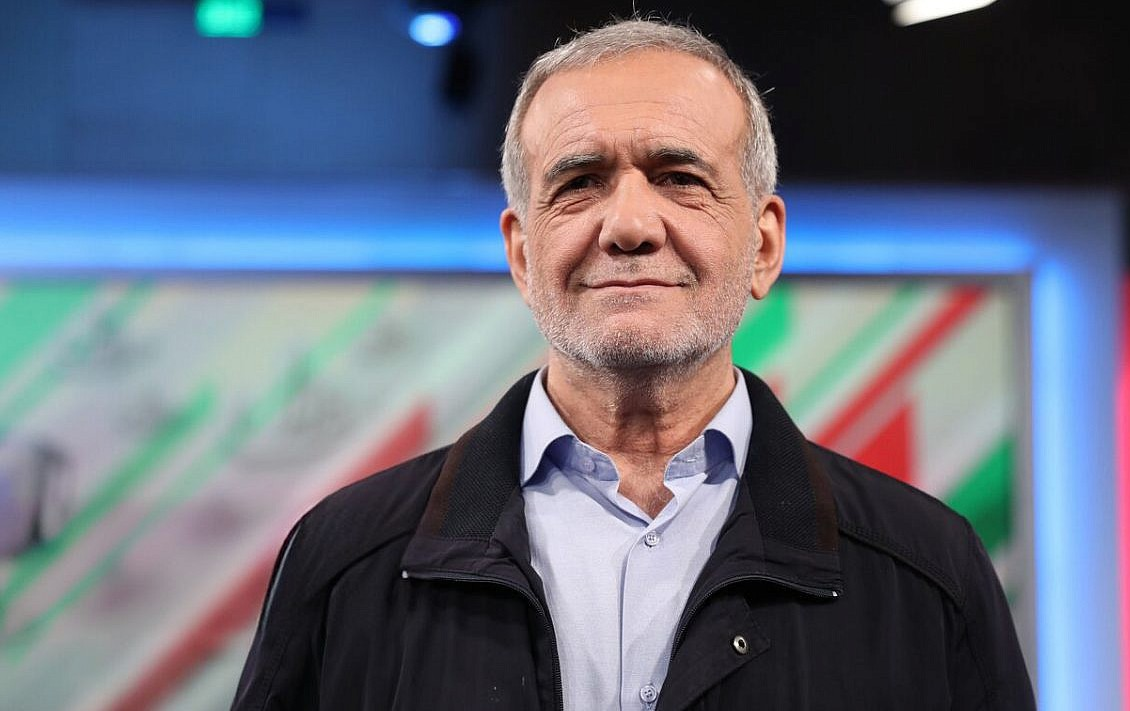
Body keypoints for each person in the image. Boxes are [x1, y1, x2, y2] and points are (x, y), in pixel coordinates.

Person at [233, 18, 1036, 711]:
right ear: (522, 253)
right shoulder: (344, 562)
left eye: (679, 178)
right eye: (580, 183)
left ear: (763, 246)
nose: (629, 225)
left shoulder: (927, 572)